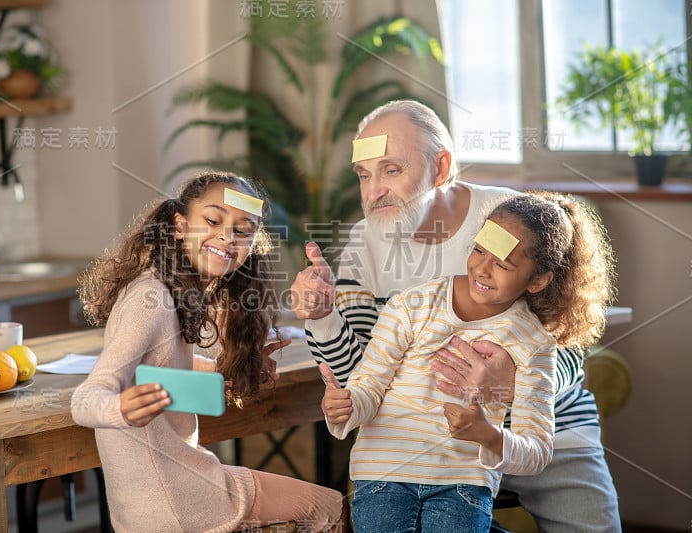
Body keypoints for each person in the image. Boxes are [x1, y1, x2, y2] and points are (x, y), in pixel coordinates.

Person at [291, 100, 622, 532]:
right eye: (364, 174)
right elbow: (361, 373)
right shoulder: (362, 244)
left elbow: (572, 343)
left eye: (391, 169)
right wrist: (322, 317)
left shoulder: (509, 220)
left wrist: (512, 385)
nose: (373, 192)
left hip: (547, 426)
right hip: (425, 446)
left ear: (441, 167)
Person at [320, 192, 614, 532]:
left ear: (538, 280)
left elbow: (537, 450)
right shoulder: (410, 306)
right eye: (478, 250)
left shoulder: (534, 343)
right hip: (383, 474)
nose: (482, 269)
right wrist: (346, 404)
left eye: (502, 265)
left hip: (463, 484)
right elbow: (368, 384)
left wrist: (489, 436)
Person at [72, 171, 345, 532]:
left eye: (243, 230)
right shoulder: (149, 299)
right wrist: (121, 407)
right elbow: (85, 399)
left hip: (165, 499)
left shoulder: (175, 291)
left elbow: (164, 371)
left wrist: (222, 374)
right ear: (179, 225)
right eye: (213, 220)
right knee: (333, 509)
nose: (227, 237)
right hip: (180, 503)